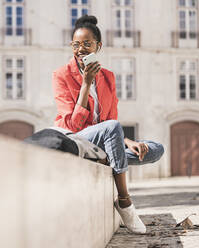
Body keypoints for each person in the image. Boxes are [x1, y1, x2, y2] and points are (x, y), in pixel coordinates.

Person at [52, 15, 164, 234]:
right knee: (112, 129)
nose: (81, 49)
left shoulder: (108, 77)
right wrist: (85, 84)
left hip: (102, 144)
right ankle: (124, 201)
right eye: (76, 44)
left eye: (87, 43)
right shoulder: (62, 75)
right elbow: (72, 126)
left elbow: (110, 121)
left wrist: (129, 142)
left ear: (98, 46)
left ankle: (110, 158)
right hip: (76, 140)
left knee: (155, 149)